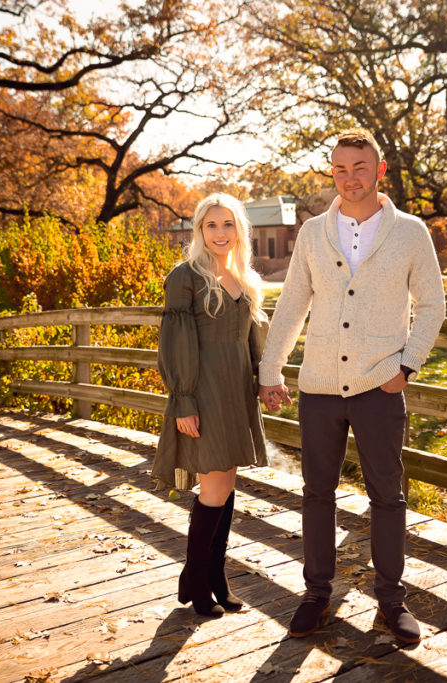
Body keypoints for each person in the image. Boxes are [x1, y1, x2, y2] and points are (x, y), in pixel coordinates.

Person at [259, 128, 446, 643]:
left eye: (359, 168)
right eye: (339, 169)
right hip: (319, 386)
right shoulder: (314, 232)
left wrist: (406, 367)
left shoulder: (410, 233)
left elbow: (432, 305)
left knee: (388, 495)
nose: (349, 178)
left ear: (379, 170)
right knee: (317, 494)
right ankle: (316, 596)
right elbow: (293, 302)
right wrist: (271, 366)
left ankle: (391, 601)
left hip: (379, 388)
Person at [153, 193, 269, 618]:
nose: (220, 233)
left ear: (240, 230)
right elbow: (174, 342)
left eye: (228, 224)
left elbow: (253, 342)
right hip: (203, 392)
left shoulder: (246, 280)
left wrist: (265, 381)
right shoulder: (185, 277)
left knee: (226, 483)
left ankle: (215, 576)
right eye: (210, 225)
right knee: (215, 488)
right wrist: (183, 399)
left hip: (237, 392)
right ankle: (196, 577)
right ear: (199, 230)